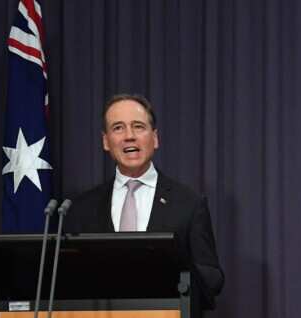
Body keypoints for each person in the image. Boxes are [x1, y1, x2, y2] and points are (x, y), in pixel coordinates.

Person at [66, 94, 225, 296]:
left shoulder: (189, 203)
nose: (129, 136)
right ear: (106, 141)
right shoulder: (81, 208)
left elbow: (211, 279)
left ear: (155, 138)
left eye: (138, 126)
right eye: (118, 128)